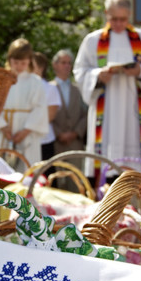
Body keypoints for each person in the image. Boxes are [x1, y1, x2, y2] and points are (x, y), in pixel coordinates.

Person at [74, 0, 141, 179]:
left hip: (134, 109)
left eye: (123, 19)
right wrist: (98, 76)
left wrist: (140, 71)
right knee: (106, 157)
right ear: (106, 14)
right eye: (114, 19)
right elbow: (80, 71)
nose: (118, 24)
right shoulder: (93, 41)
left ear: (130, 15)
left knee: (134, 164)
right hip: (106, 109)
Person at [0, 38, 48, 169]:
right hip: (2, 132)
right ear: (9, 59)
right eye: (15, 62)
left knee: (26, 167)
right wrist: (3, 126)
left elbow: (40, 108)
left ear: (29, 61)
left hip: (27, 133)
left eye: (23, 63)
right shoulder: (1, 79)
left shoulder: (35, 82)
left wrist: (26, 130)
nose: (19, 66)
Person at [49, 49, 89, 191]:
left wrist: (76, 132)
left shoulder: (78, 90)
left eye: (69, 63)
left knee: (76, 182)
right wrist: (59, 133)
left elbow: (86, 114)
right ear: (55, 65)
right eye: (63, 62)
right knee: (57, 183)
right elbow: (47, 115)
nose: (66, 66)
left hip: (75, 143)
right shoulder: (48, 88)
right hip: (56, 142)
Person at [31, 51, 62, 162]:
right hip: (24, 141)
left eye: (32, 66)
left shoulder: (50, 88)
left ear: (41, 67)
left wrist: (27, 128)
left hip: (44, 140)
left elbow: (50, 115)